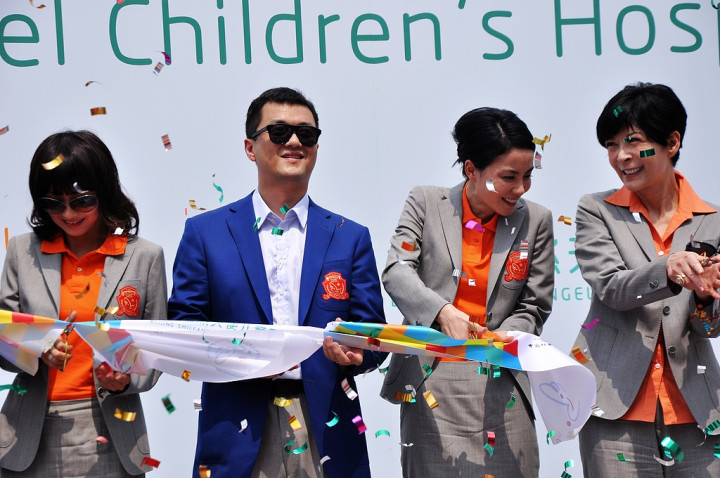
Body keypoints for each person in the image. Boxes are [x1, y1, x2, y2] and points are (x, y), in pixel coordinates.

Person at [167, 87, 386, 478]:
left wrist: (359, 354)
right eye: (280, 131)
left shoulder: (349, 236)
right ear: (250, 148)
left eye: (307, 134)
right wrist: (243, 358)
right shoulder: (206, 233)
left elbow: (373, 333)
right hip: (237, 428)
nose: (295, 141)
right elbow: (185, 328)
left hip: (328, 429)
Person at [379, 107, 554, 477]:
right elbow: (397, 270)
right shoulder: (426, 202)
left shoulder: (536, 219)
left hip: (501, 378)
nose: (520, 189)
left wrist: (503, 337)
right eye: (508, 177)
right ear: (471, 170)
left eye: (527, 176)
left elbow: (534, 305)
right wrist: (443, 312)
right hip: (431, 377)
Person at [572, 82, 720, 477]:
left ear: (671, 143)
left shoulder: (714, 220)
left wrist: (707, 297)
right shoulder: (596, 210)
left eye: (634, 142)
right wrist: (668, 268)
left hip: (697, 410)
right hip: (613, 408)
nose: (621, 157)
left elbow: (711, 327)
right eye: (611, 145)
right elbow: (611, 287)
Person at [0, 130, 167, 477]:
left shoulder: (145, 257)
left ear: (105, 193)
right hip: (25, 438)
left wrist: (124, 378)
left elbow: (157, 352)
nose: (68, 213)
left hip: (113, 435)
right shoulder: (21, 251)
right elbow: (2, 342)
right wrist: (37, 347)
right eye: (53, 203)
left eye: (82, 201)